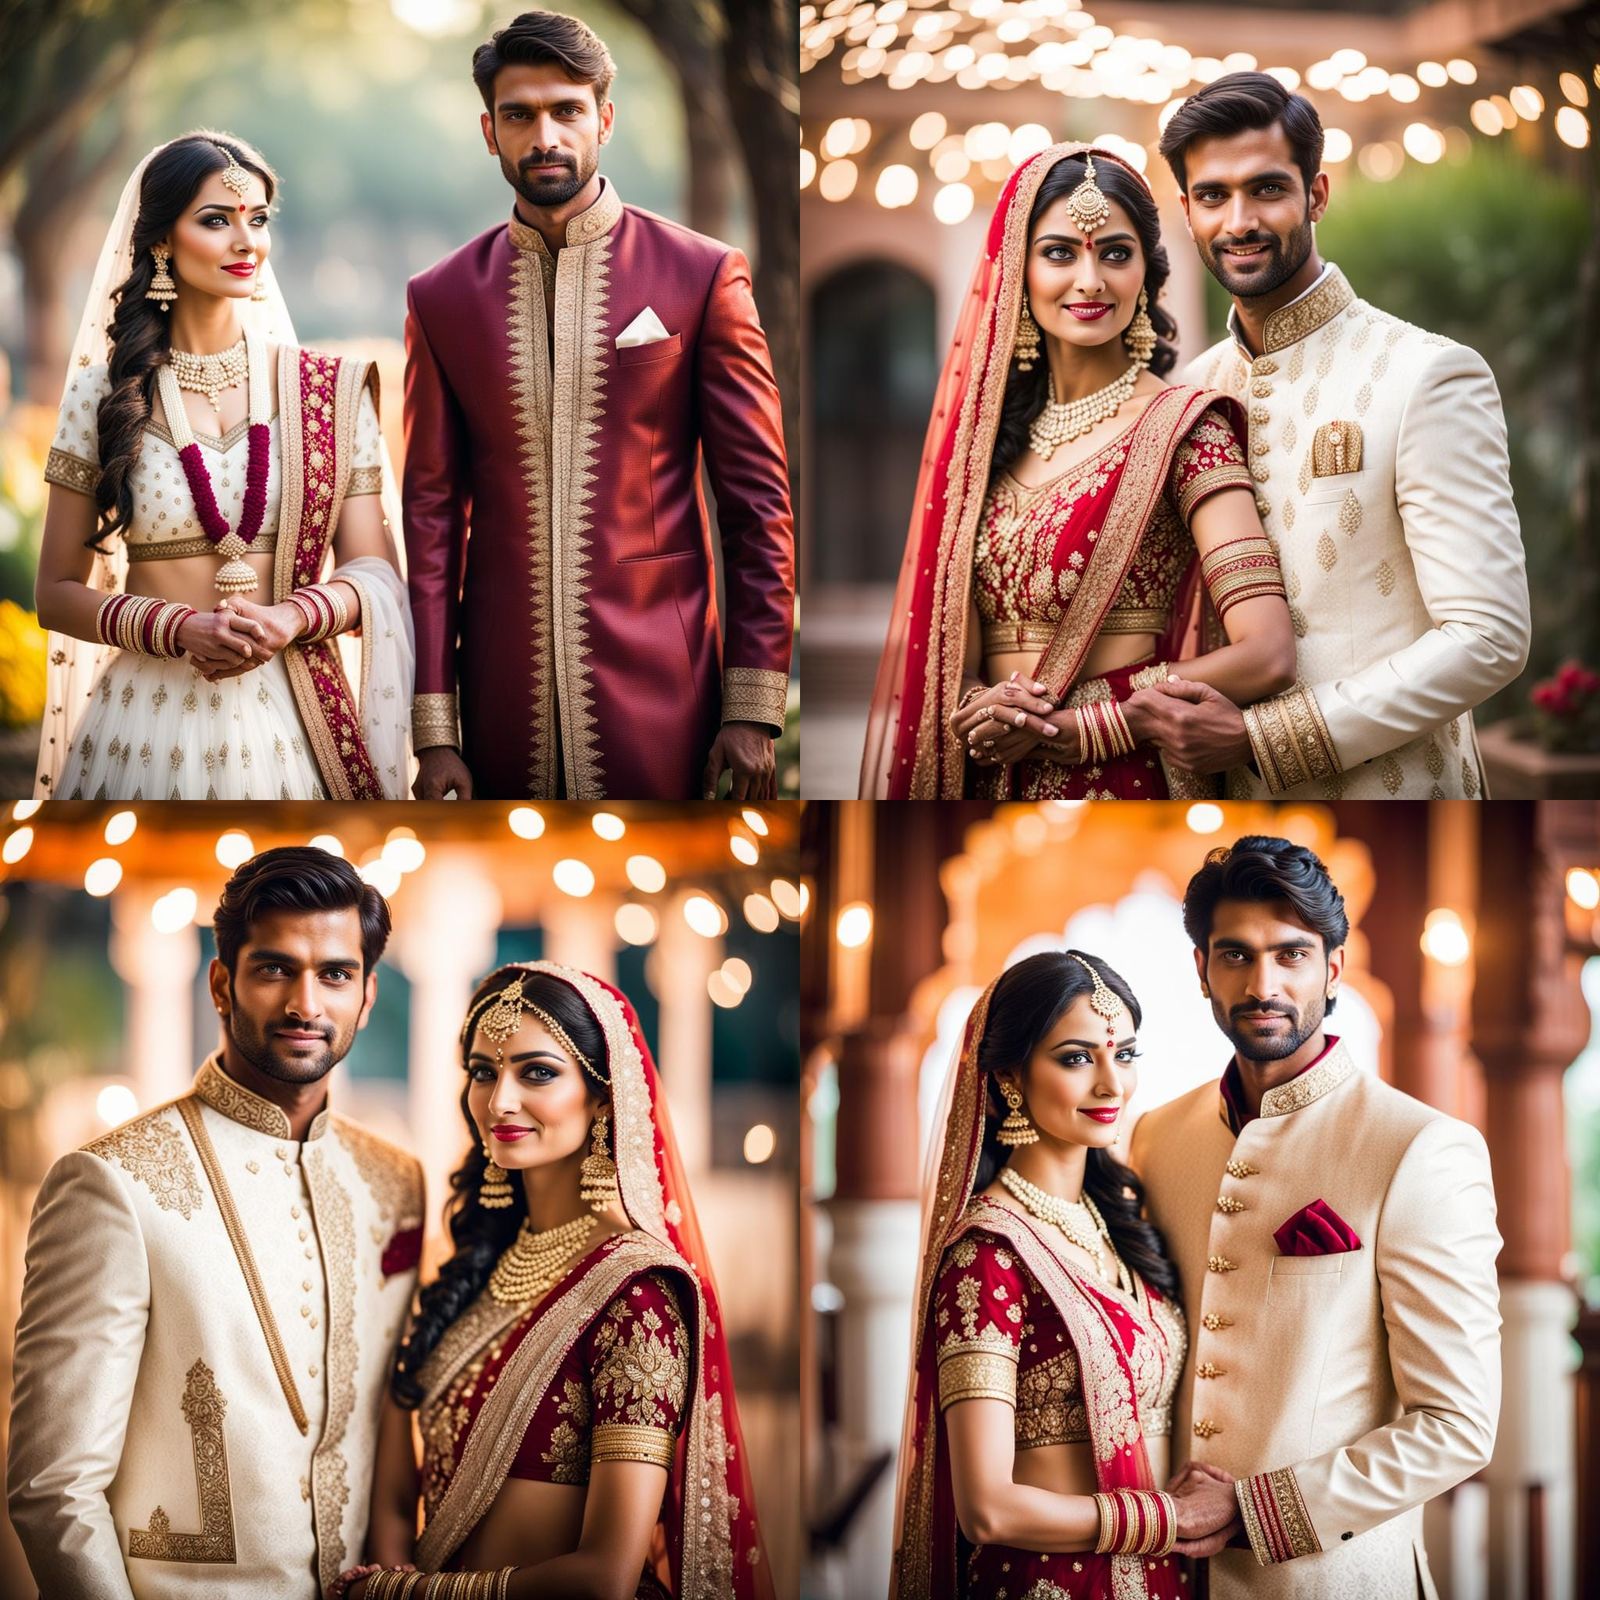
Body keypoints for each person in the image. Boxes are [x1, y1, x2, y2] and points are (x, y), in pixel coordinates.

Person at [7, 848, 423, 1599]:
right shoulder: (112, 1183)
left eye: (335, 973)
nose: (306, 1003)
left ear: (366, 997)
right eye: (274, 969)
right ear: (222, 985)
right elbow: (52, 1487)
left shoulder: (394, 1183)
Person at [404, 10, 794, 802]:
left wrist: (752, 705)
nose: (544, 135)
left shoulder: (702, 276)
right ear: (490, 132)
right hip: (498, 687)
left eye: (566, 111)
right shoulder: (441, 298)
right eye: (519, 115)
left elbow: (757, 506)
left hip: (664, 674)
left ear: (603, 120)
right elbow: (432, 518)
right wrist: (436, 728)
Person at [1124, 72, 1530, 798]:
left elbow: (1489, 636)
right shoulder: (1185, 394)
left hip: (1400, 791)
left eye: (1268, 189)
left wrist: (1262, 739)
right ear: (1186, 211)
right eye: (1213, 196)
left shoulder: (1426, 375)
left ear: (1316, 194)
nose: (1239, 220)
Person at [861, 141, 1297, 800]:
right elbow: (952, 661)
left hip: (1124, 779)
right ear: (1019, 271)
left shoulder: (1186, 429)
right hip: (993, 779)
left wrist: (1100, 723)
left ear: (1145, 277)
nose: (1090, 280)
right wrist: (983, 709)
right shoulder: (985, 452)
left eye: (1115, 254)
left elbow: (1266, 652)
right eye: (1061, 252)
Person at [1128, 836, 1501, 1597]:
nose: (1263, 983)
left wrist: (1259, 1511)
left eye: (1291, 955)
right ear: (1201, 970)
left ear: (1333, 971)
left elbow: (1457, 1425)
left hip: (1331, 1580)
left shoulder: (1421, 1147)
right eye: (1235, 955)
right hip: (1162, 1573)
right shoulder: (1157, 1137)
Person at [334, 962, 771, 1599]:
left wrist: (411, 1595)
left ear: (602, 1094)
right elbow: (398, 1498)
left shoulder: (637, 1293)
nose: (500, 1100)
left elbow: (607, 1577)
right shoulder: (475, 1269)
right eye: (484, 1072)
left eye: (537, 1072)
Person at [35, 132, 414, 801]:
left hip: (296, 713)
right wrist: (180, 628)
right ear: (161, 241)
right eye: (217, 220)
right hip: (146, 718)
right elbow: (56, 591)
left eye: (258, 220)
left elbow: (373, 570)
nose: (247, 243)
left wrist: (290, 618)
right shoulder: (104, 396)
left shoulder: (327, 390)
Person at [891, 948, 1227, 1599]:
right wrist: (1167, 1517)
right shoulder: (986, 1256)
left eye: (1124, 1054)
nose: (1112, 1084)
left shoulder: (1123, 1227)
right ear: (1011, 1076)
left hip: (1159, 1578)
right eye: (1076, 1058)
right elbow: (986, 1507)